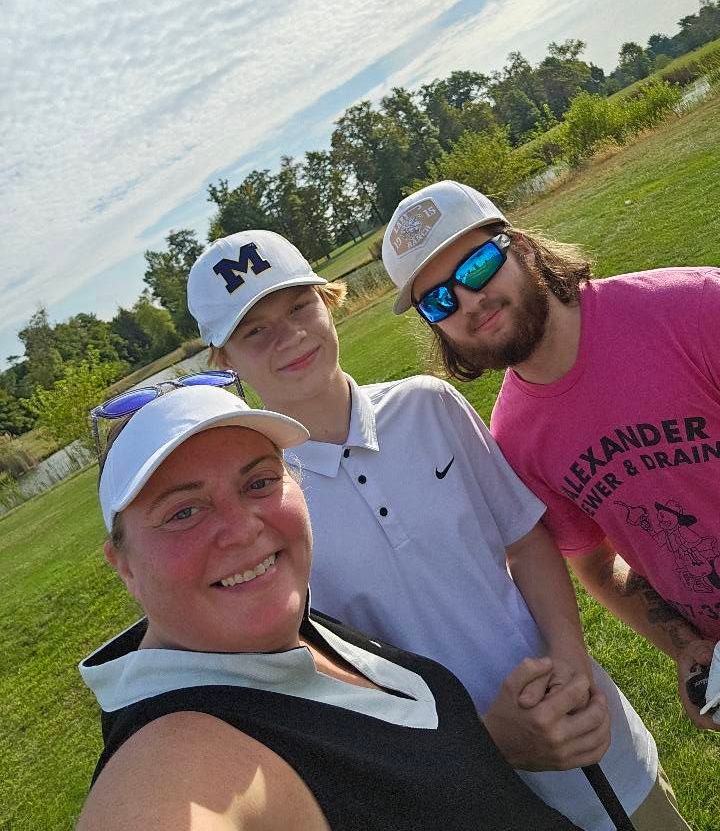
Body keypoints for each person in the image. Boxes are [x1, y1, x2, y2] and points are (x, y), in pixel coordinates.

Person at [186, 229, 669, 830]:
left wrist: (572, 660)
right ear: (223, 360)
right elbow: (322, 681)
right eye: (254, 331)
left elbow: (524, 540)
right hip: (454, 790)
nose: (289, 336)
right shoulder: (264, 508)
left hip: (582, 722)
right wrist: (485, 742)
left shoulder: (429, 406)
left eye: (298, 307)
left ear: (330, 301)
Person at [77, 380, 585, 831]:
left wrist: (491, 746)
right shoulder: (175, 753)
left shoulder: (292, 629)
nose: (243, 529)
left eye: (259, 482)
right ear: (123, 564)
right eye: (183, 511)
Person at [382, 178, 720, 745]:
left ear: (521, 247)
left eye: (476, 267)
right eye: (438, 299)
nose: (468, 300)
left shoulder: (692, 309)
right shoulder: (513, 437)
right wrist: (687, 647)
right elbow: (593, 563)